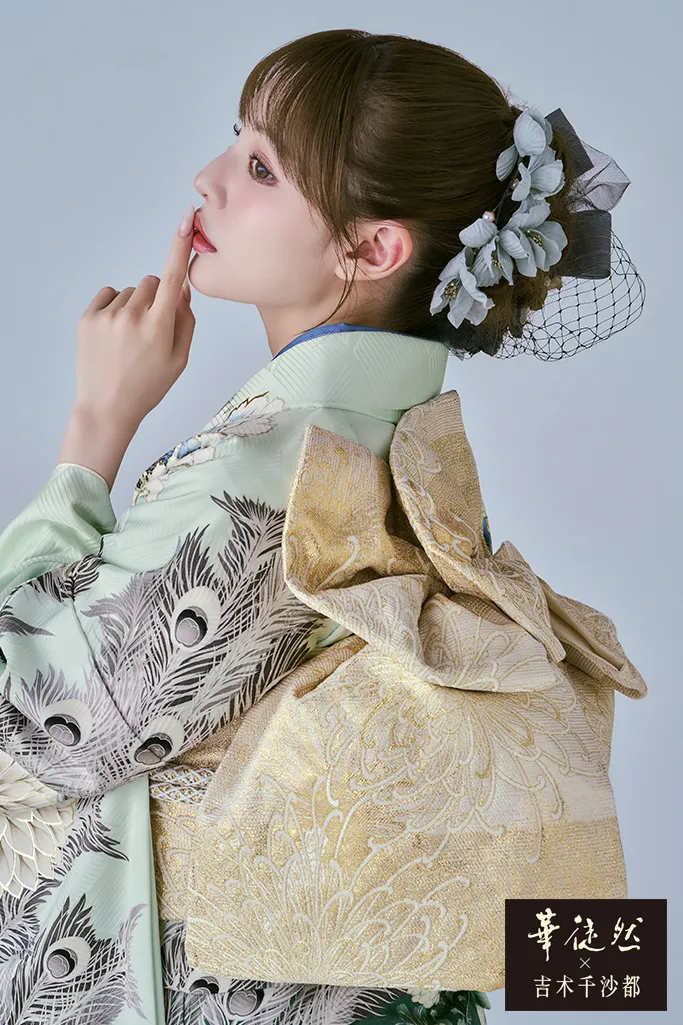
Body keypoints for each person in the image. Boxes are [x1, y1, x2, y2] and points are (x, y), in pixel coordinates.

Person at [0, 28, 643, 1025]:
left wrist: (94, 430)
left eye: (261, 167)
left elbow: (53, 722)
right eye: (235, 140)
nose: (208, 178)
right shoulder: (401, 434)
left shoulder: (276, 460)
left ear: (372, 248)